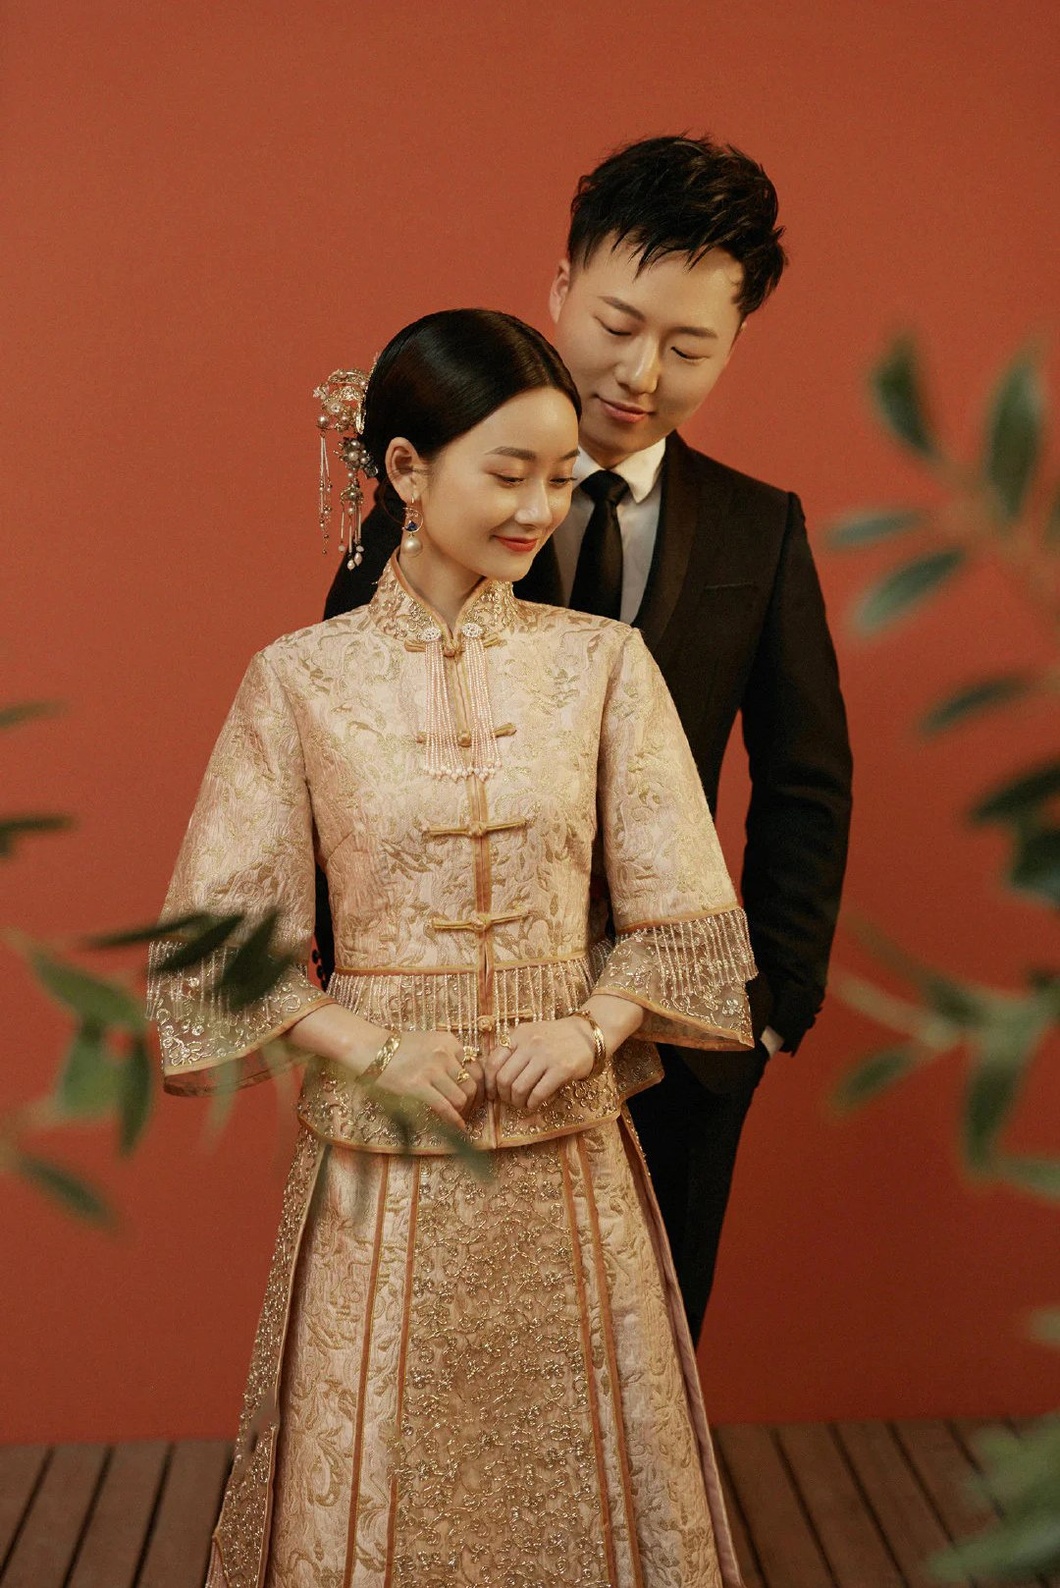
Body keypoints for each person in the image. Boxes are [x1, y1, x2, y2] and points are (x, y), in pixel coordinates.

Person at [151, 309, 758, 1586]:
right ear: (408, 471)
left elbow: (686, 915)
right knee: (378, 1477)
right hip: (385, 1156)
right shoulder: (300, 680)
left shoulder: (603, 667)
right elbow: (217, 947)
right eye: (508, 473)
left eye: (559, 476)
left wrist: (591, 1026)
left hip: (566, 1146)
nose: (540, 508)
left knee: (588, 1483)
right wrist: (366, 1046)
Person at [321, 136, 854, 1341]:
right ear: (560, 287)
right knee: (452, 1365)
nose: (640, 372)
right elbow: (339, 746)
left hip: (678, 1029)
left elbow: (805, 779)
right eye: (617, 324)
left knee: (655, 1350)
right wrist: (362, 1003)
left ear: (735, 341)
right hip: (457, 1032)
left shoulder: (758, 529)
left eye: (689, 346)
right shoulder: (426, 497)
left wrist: (768, 1005)